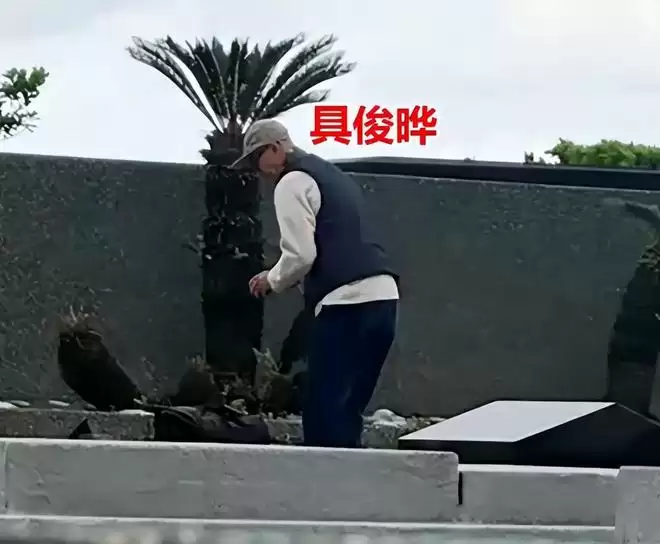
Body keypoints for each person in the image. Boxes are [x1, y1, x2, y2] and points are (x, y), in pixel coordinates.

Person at [232, 118, 400, 448]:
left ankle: (324, 479)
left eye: (256, 159)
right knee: (348, 411)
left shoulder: (292, 181)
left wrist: (271, 279)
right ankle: (350, 476)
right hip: (384, 301)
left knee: (324, 412)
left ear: (276, 148)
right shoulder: (333, 176)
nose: (257, 171)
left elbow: (301, 255)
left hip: (346, 305)